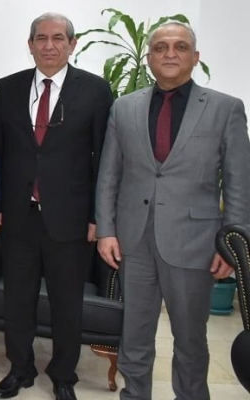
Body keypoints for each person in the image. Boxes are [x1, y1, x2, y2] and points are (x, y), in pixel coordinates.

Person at [96, 22, 250, 400]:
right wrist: (106, 230)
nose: (170, 53)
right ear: (149, 57)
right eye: (161, 47)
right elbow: (109, 175)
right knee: (134, 334)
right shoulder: (124, 107)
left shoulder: (226, 109)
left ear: (195, 57)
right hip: (134, 241)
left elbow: (238, 182)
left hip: (195, 242)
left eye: (180, 47)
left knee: (190, 339)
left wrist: (232, 245)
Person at [0, 12, 113, 400]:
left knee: (66, 303)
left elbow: (105, 159)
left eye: (58, 38)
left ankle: (63, 376)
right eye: (40, 38)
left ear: (72, 44)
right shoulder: (7, 88)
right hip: (19, 215)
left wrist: (97, 217)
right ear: (30, 45)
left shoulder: (95, 90)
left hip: (71, 219)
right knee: (17, 299)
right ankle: (20, 368)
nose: (49, 45)